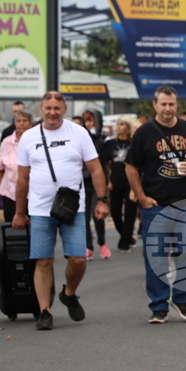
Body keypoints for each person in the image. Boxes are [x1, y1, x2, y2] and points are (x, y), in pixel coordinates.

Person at [12, 92, 110, 330]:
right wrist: (19, 211)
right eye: (48, 108)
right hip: (39, 208)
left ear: (65, 109)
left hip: (72, 207)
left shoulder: (78, 133)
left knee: (78, 259)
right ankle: (45, 311)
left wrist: (102, 200)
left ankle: (69, 292)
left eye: (57, 108)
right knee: (43, 261)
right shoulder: (29, 137)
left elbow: (96, 170)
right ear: (41, 109)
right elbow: (22, 178)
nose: (52, 112)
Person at [125, 86, 186, 323]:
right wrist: (141, 197)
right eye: (163, 104)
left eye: (171, 104)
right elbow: (131, 167)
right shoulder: (144, 133)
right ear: (155, 105)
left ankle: (181, 298)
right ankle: (159, 305)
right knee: (156, 258)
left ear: (176, 105)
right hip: (156, 206)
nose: (167, 108)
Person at [99, 115, 138, 252]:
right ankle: (127, 236)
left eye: (122, 124)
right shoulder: (111, 144)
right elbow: (101, 161)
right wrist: (106, 180)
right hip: (115, 183)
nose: (118, 127)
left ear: (128, 128)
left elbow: (139, 164)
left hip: (131, 183)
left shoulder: (134, 143)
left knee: (129, 213)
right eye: (117, 124)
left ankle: (125, 241)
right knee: (115, 213)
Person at [0, 110, 33, 221]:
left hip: (32, 194)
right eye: (19, 121)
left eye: (25, 121)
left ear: (30, 124)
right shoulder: (6, 142)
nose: (21, 123)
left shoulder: (37, 141)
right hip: (10, 193)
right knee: (11, 227)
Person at [82, 109, 109, 259]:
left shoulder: (104, 139)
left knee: (97, 213)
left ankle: (102, 242)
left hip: (97, 182)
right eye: (86, 121)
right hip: (82, 181)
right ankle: (88, 246)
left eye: (91, 121)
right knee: (84, 216)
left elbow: (103, 158)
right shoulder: (80, 138)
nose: (88, 124)